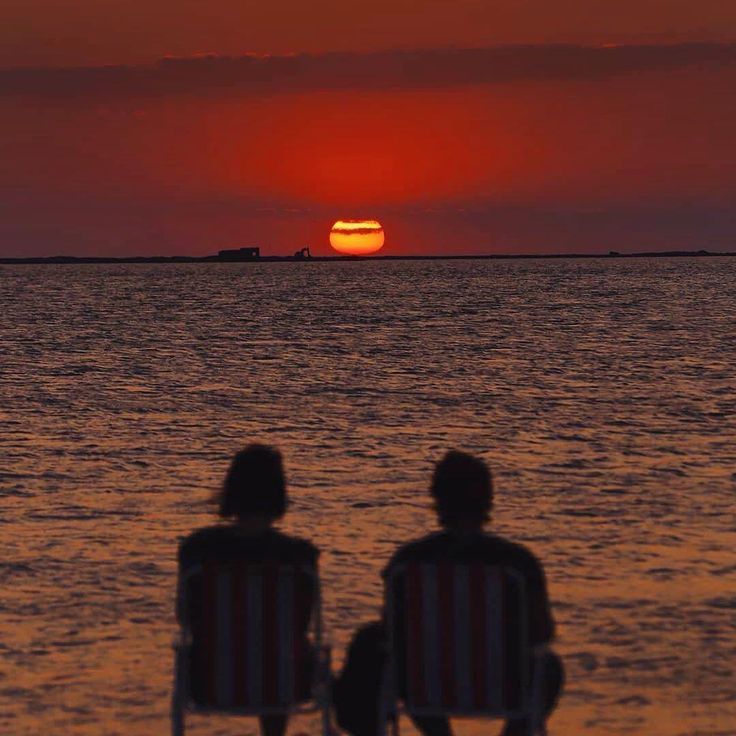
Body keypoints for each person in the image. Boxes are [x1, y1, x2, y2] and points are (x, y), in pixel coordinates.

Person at [334, 450, 564, 736]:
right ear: (488, 499)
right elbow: (542, 632)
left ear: (437, 498)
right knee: (549, 666)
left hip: (426, 682)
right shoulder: (518, 564)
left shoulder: (408, 563)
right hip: (501, 682)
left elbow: (393, 628)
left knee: (375, 644)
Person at [177, 444, 319, 736]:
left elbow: (186, 617)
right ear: (280, 493)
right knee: (277, 647)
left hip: (211, 679)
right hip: (285, 681)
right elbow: (301, 622)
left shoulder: (197, 550)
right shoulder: (299, 556)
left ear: (230, 489)